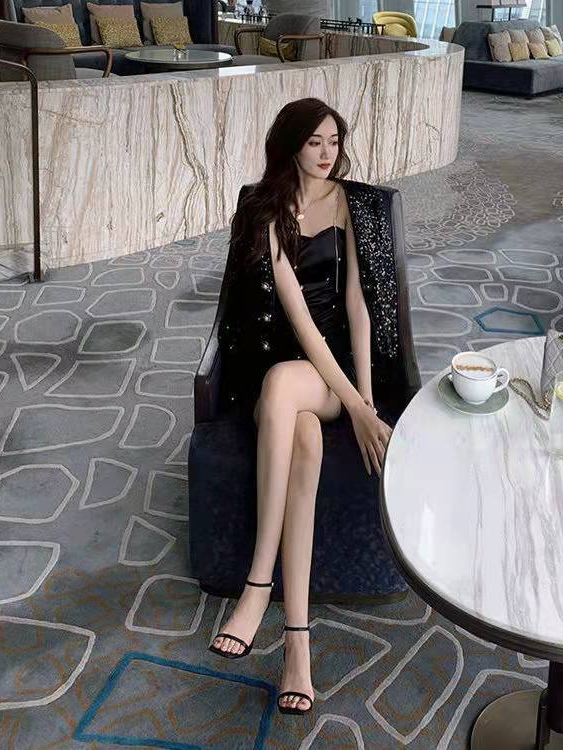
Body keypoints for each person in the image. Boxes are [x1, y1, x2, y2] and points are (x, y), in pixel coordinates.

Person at [208, 98, 395, 716]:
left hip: (328, 375)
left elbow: (358, 307)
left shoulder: (351, 203)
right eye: (315, 142)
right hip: (278, 361)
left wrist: (363, 401)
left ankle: (256, 585)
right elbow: (295, 316)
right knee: (305, 442)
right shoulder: (266, 208)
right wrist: (358, 411)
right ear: (291, 145)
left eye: (334, 141)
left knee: (288, 387)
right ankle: (298, 643)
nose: (326, 153)